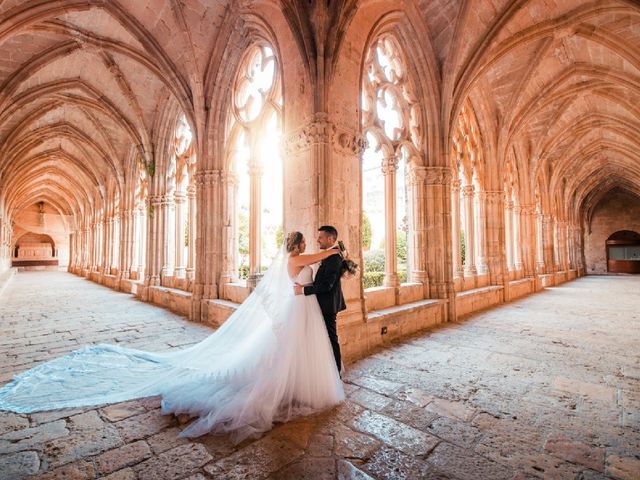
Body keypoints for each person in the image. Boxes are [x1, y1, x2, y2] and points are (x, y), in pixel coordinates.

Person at [0, 232, 345, 443]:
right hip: (298, 308)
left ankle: (290, 384)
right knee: (284, 354)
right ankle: (284, 387)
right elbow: (319, 258)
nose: (310, 244)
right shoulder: (299, 258)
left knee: (285, 353)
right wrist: (336, 250)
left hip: (298, 309)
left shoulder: (292, 258)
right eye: (307, 241)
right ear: (298, 245)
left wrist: (333, 254)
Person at [294, 225, 346, 373]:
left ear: (330, 239)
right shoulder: (330, 255)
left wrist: (303, 289)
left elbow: (327, 286)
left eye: (320, 237)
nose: (317, 240)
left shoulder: (334, 258)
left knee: (331, 338)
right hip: (320, 303)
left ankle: (335, 372)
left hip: (328, 305)